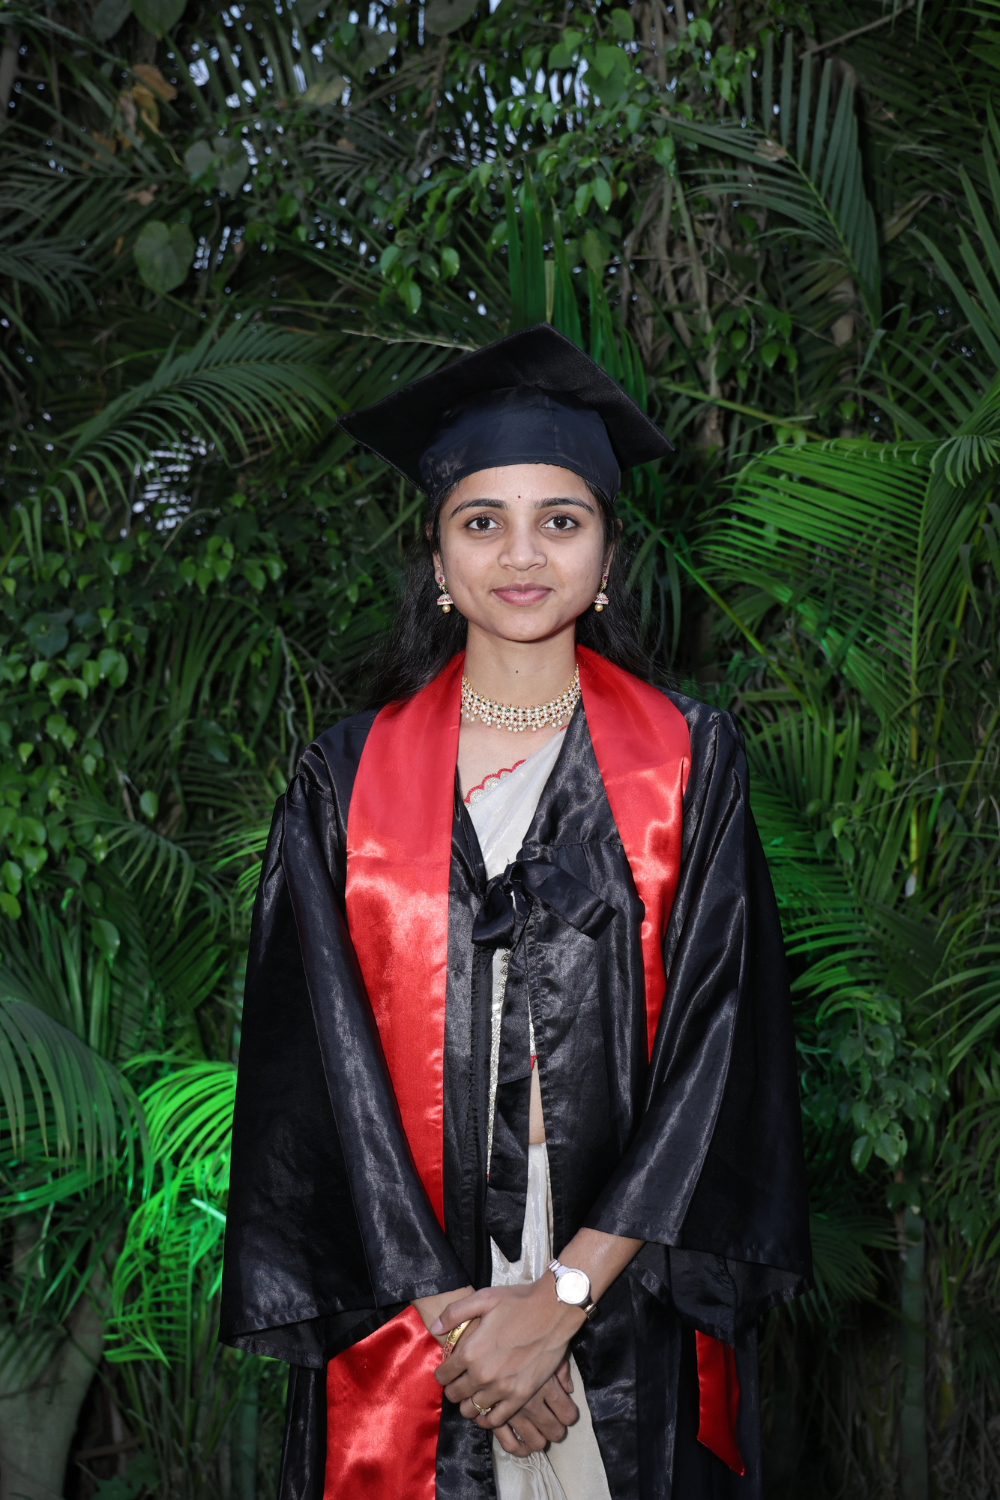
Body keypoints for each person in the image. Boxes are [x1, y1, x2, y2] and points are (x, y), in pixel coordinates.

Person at [219, 324, 811, 1500]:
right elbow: (318, 1071)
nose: (522, 553)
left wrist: (561, 1302)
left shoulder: (688, 763)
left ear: (606, 553)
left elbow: (720, 1049)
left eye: (561, 519)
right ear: (438, 560)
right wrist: (459, 1325)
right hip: (411, 1287)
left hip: (622, 1267)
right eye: (482, 521)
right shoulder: (343, 780)